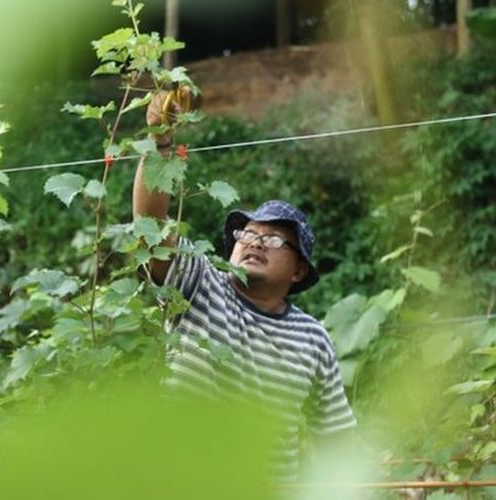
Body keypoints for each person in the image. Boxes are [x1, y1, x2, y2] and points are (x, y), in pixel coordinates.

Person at [132, 90, 356, 480]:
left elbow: (336, 443)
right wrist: (160, 142)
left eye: (272, 240)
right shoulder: (201, 283)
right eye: (246, 234)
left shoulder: (313, 337)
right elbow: (150, 232)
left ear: (299, 271)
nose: (253, 241)